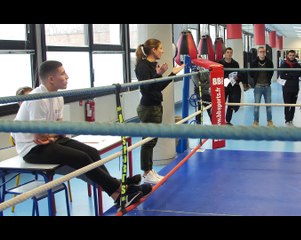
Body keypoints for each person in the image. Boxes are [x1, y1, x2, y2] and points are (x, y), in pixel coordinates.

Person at [12, 60, 150, 209]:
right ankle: (121, 189)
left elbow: (58, 128)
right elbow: (38, 137)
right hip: (31, 149)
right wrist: (52, 134)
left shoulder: (58, 97)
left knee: (91, 152)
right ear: (51, 79)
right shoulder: (37, 98)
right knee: (81, 158)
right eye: (63, 73)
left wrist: (51, 135)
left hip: (51, 141)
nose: (67, 76)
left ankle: (119, 193)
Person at [135, 38, 184, 184]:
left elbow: (157, 87)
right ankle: (146, 173)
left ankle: (149, 171)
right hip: (149, 107)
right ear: (153, 50)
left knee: (152, 140)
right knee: (148, 141)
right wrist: (159, 74)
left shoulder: (152, 65)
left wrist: (172, 74)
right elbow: (147, 88)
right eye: (161, 48)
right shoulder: (143, 66)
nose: (163, 51)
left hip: (155, 105)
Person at [218, 47, 247, 125]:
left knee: (231, 104)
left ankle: (227, 121)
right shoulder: (220, 63)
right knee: (221, 104)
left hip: (232, 86)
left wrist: (237, 78)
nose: (229, 54)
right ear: (224, 53)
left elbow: (238, 74)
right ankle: (220, 121)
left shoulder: (235, 63)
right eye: (227, 52)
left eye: (231, 52)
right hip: (223, 86)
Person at [249, 46, 274, 127]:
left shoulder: (269, 62)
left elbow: (271, 72)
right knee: (256, 106)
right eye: (260, 51)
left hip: (267, 87)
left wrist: (268, 81)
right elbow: (251, 74)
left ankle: (269, 121)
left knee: (268, 106)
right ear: (258, 53)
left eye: (263, 51)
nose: (262, 53)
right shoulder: (254, 62)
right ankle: (256, 122)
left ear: (265, 53)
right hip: (258, 87)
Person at [279, 50, 301, 126]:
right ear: (287, 56)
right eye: (290, 55)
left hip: (295, 88)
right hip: (286, 88)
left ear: (295, 56)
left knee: (293, 105)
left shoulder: (298, 65)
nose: (291, 57)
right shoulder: (283, 65)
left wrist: (288, 74)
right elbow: (282, 75)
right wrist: (293, 75)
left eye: (293, 55)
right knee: (287, 104)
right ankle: (287, 119)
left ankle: (291, 119)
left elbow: (298, 74)